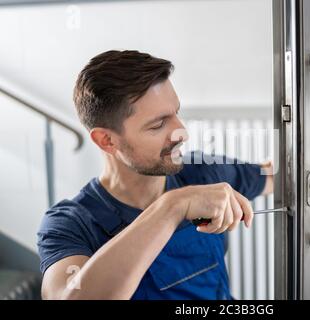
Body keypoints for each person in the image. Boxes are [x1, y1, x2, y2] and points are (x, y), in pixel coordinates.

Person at [37, 50, 273, 300]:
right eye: (158, 124)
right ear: (107, 140)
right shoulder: (71, 223)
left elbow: (276, 177)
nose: (181, 132)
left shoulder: (202, 172)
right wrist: (172, 206)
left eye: (176, 113)